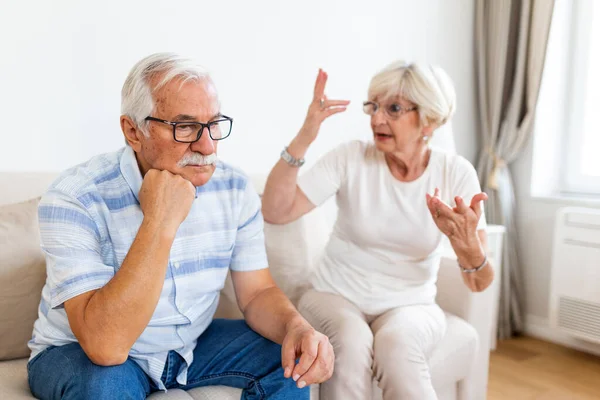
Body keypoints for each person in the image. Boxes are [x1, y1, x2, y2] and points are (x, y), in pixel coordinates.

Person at [27, 52, 333, 400]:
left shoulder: (234, 187)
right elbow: (105, 346)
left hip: (192, 344)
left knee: (292, 359)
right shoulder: (75, 197)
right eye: (184, 127)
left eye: (213, 124)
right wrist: (159, 220)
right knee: (103, 386)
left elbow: (257, 292)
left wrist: (296, 327)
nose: (207, 146)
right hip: (82, 351)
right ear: (133, 131)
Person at [261, 62, 494, 400]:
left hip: (412, 305)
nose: (376, 118)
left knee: (398, 346)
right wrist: (306, 135)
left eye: (393, 108)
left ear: (428, 118)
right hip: (333, 294)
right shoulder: (351, 157)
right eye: (373, 106)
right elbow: (276, 211)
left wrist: (467, 245)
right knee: (350, 342)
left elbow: (479, 281)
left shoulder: (455, 173)